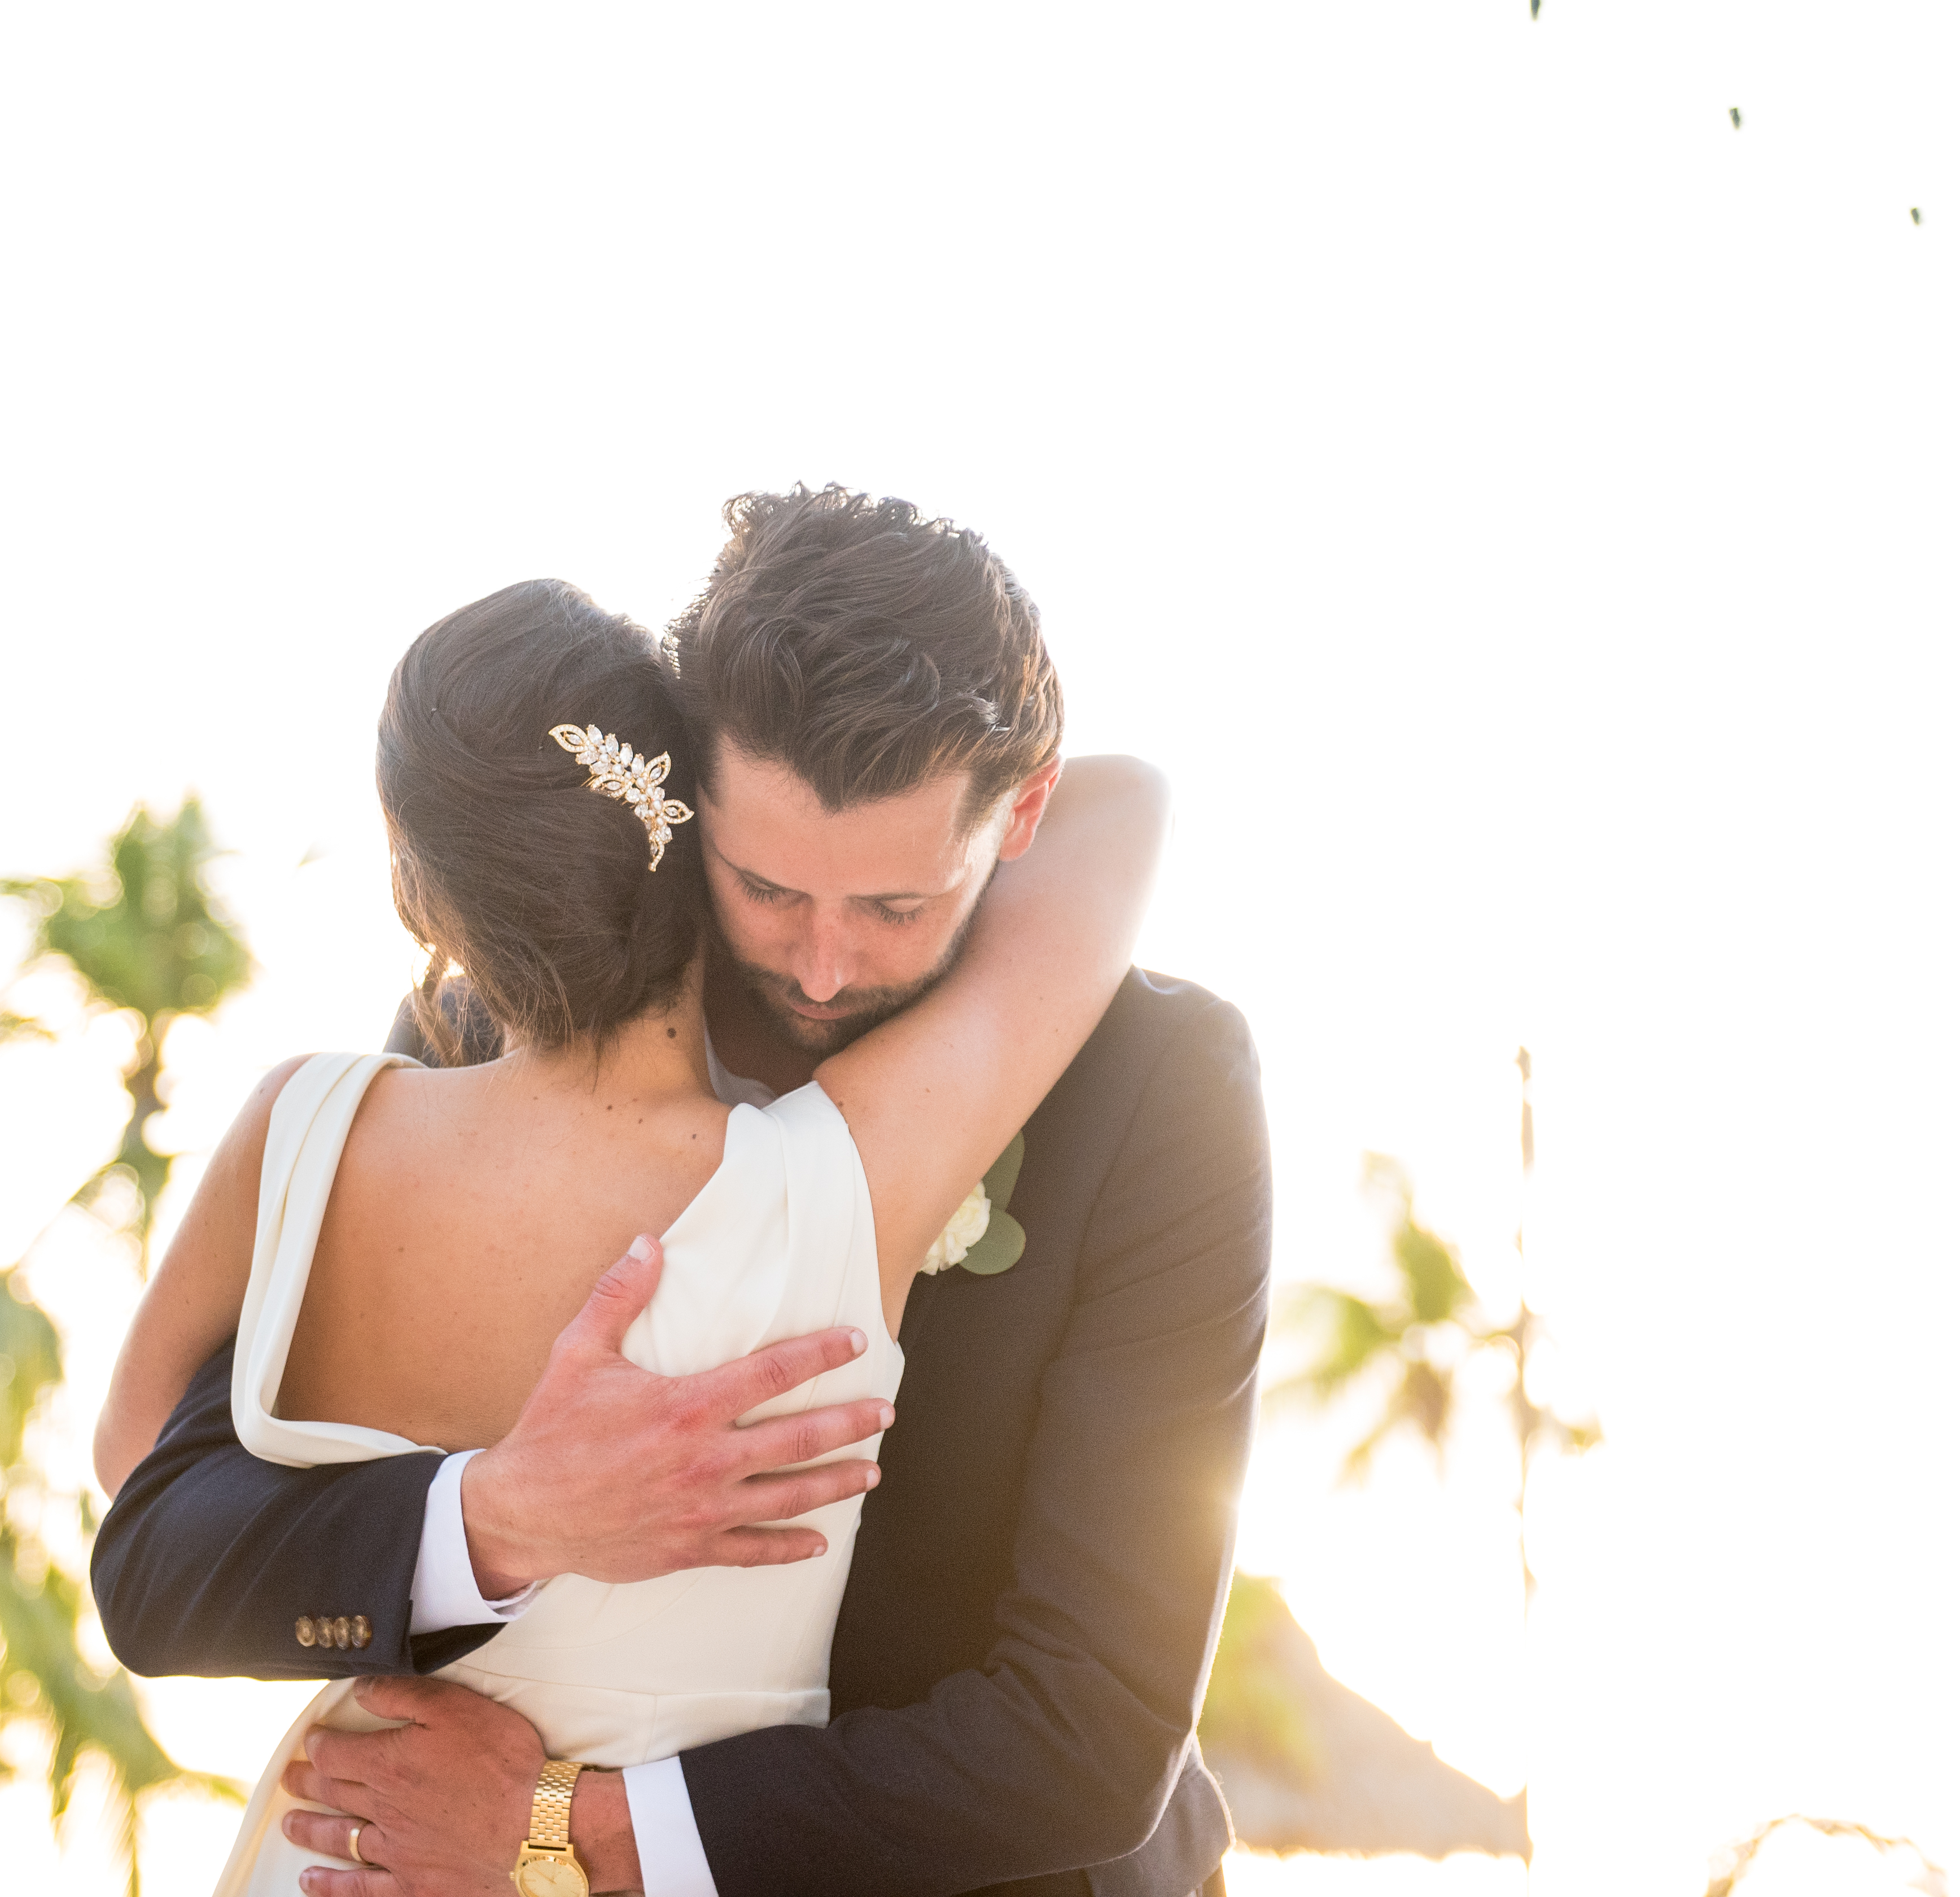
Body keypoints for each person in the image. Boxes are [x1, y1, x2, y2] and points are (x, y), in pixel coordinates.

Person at [93, 488, 1273, 1897]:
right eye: (766, 886)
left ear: (1021, 813)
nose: (823, 965)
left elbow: (1089, 1727)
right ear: (681, 784)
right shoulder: (486, 1047)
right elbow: (177, 1524)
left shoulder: (1158, 1083)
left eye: (895, 908)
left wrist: (562, 1832)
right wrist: (493, 1518)